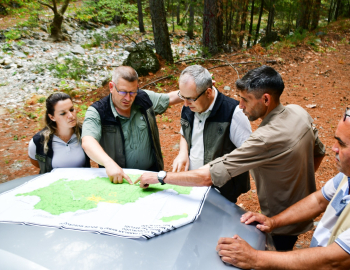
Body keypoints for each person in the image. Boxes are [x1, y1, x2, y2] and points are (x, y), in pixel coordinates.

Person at [137, 65, 326, 251]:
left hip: (280, 221)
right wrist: (297, 181)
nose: (241, 105)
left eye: (246, 100)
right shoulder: (298, 112)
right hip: (300, 209)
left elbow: (208, 175)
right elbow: (319, 152)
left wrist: (161, 177)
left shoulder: (263, 138)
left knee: (276, 258)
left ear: (266, 99)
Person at [216, 105, 350, 270]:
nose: (334, 148)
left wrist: (255, 258)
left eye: (341, 143)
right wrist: (274, 222)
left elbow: (334, 261)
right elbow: (318, 200)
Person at [81, 66, 182, 184]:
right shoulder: (98, 111)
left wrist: (196, 90)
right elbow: (88, 142)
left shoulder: (143, 98)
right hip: (119, 179)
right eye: (123, 92)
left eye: (132, 92)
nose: (128, 98)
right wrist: (109, 164)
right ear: (111, 87)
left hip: (150, 176)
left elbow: (170, 98)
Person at [172, 65, 252, 203]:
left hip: (221, 192)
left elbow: (248, 154)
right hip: (193, 186)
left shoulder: (233, 112)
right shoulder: (188, 106)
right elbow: (185, 133)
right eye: (182, 96)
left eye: (190, 98)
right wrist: (183, 152)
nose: (185, 103)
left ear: (208, 92)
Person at [28, 92, 90, 174]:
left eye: (71, 109)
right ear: (52, 117)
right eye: (63, 113)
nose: (71, 115)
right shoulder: (39, 141)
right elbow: (36, 162)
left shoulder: (85, 133)